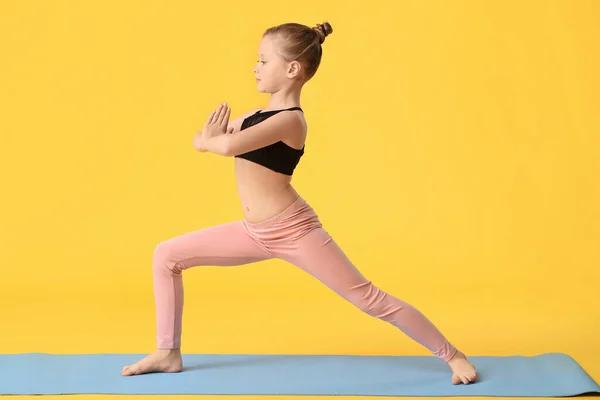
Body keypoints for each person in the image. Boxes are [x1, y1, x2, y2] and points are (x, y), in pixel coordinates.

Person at [121, 21, 477, 385]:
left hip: (294, 230)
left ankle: (453, 355)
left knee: (369, 299)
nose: (254, 67)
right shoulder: (253, 116)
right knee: (166, 255)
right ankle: (168, 352)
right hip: (253, 232)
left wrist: (212, 140)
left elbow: (223, 145)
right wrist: (209, 140)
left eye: (262, 60)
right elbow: (201, 141)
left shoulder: (290, 121)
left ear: (292, 69)